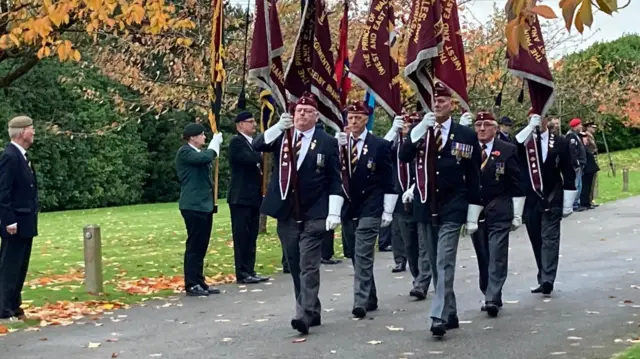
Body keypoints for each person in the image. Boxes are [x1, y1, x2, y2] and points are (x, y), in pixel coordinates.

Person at [253, 93, 342, 335]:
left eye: (307, 111)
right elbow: (257, 145)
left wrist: (334, 212)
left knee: (308, 264)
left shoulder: (327, 142)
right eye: (298, 111)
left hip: (315, 212)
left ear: (316, 116)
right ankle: (311, 309)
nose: (301, 114)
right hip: (287, 212)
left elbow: (335, 178)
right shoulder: (283, 136)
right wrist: (277, 127)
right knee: (294, 264)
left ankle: (302, 314)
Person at [399, 82, 483, 337]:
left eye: (442, 100)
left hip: (453, 205)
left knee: (445, 260)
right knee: (436, 264)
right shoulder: (419, 130)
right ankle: (451, 312)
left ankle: (437, 316)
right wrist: (418, 130)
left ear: (452, 104)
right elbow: (403, 157)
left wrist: (473, 213)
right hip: (425, 204)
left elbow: (473, 175)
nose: (438, 104)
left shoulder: (465, 134)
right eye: (434, 101)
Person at [335, 100, 398, 319]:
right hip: (348, 206)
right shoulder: (340, 144)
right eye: (350, 118)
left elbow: (388, 179)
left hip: (371, 205)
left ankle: (359, 301)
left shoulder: (379, 145)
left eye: (358, 118)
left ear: (366, 120)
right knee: (354, 253)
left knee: (363, 253)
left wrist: (387, 210)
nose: (353, 121)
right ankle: (370, 296)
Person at [514, 110, 577, 296]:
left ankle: (548, 279)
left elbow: (568, 169)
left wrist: (568, 199)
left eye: (540, 118)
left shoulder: (559, 142)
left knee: (550, 239)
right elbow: (514, 146)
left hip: (553, 196)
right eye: (532, 118)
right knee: (537, 239)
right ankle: (542, 275)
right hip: (531, 198)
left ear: (547, 120)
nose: (537, 122)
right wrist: (529, 128)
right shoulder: (524, 140)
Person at [470, 111, 524, 317]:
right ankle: (489, 290)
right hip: (475, 211)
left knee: (497, 253)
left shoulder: (507, 149)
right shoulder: (468, 149)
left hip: (499, 209)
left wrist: (517, 213)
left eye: (486, 125)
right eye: (478, 125)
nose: (482, 129)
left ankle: (492, 296)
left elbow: (516, 182)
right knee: (483, 255)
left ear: (495, 127)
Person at [383, 112, 432, 299]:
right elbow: (379, 151)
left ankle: (422, 282)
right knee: (409, 245)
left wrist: (413, 188)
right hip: (398, 202)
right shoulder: (395, 145)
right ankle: (417, 276)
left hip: (420, 198)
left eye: (413, 124)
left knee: (423, 244)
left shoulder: (422, 143)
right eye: (405, 124)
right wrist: (392, 130)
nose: (408, 127)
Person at [175, 122, 223, 296]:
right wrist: (215, 145)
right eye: (202, 135)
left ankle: (199, 280)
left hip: (204, 206)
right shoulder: (185, 152)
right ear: (193, 138)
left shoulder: (196, 152)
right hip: (193, 205)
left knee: (202, 245)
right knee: (194, 246)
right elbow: (205, 158)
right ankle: (191, 283)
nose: (204, 137)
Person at [0, 116, 38, 320]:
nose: (34, 132)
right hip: (15, 223)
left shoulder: (22, 156)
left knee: (20, 267)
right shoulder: (10, 156)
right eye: (31, 128)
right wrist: (8, 220)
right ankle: (4, 310)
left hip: (25, 221)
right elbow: (2, 192)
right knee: (9, 267)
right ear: (22, 132)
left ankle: (14, 306)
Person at [227, 112, 270, 284]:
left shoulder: (253, 143)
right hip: (240, 197)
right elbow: (248, 158)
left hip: (254, 196)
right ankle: (242, 272)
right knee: (241, 236)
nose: (254, 125)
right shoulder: (237, 142)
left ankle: (250, 269)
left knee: (252, 235)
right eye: (250, 122)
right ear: (239, 125)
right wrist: (261, 154)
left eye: (254, 122)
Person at [566, 118, 586, 212]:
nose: (581, 126)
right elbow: (572, 151)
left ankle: (576, 202)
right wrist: (576, 162)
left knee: (579, 183)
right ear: (575, 126)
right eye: (579, 125)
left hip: (580, 163)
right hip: (576, 164)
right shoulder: (571, 137)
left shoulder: (576, 135)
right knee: (577, 183)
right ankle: (574, 203)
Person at [581, 122, 600, 209]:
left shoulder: (590, 135)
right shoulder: (586, 136)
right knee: (589, 182)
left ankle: (590, 199)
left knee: (593, 182)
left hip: (592, 158)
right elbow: (590, 148)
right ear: (588, 127)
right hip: (589, 159)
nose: (594, 129)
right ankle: (587, 200)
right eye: (592, 127)